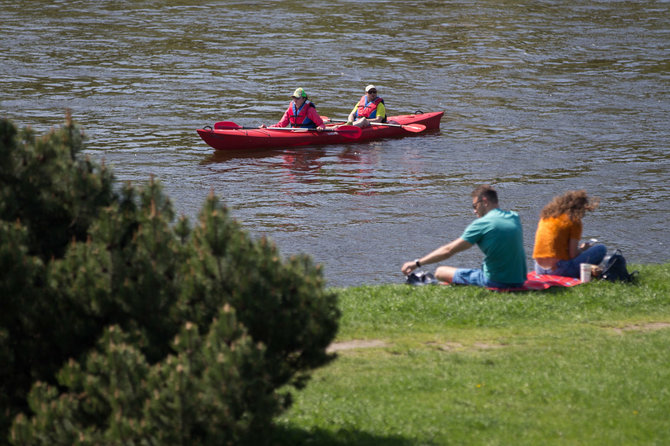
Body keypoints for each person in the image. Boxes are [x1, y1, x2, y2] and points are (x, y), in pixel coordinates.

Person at [402, 185, 527, 288]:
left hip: (496, 281)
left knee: (440, 272)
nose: (474, 211)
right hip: (519, 280)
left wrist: (417, 263)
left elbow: (448, 251)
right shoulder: (514, 216)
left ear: (484, 201)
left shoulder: (482, 224)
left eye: (475, 206)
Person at [532, 190, 607, 278]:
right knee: (601, 248)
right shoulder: (573, 220)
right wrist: (583, 250)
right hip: (559, 270)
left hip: (539, 269)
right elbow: (573, 254)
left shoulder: (545, 218)